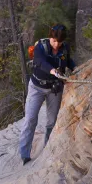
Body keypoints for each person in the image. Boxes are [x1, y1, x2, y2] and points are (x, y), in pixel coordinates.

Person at [19, 24, 75, 166]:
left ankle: (47, 149)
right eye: (54, 41)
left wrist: (76, 69)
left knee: (52, 121)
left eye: (59, 42)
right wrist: (52, 71)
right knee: (30, 119)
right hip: (37, 87)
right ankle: (24, 154)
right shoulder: (41, 47)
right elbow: (39, 61)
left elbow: (68, 62)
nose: (56, 45)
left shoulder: (64, 48)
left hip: (54, 89)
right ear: (50, 37)